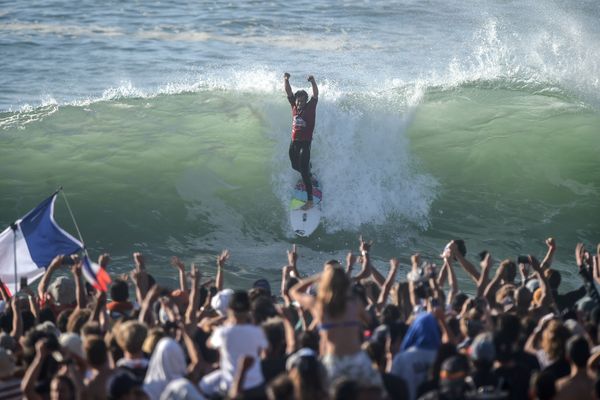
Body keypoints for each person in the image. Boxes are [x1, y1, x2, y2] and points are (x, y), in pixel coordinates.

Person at [284, 72, 319, 210]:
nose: (299, 103)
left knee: (303, 170)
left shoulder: (310, 108)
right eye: (298, 100)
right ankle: (309, 173)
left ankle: (310, 201)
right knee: (294, 165)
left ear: (306, 101)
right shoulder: (294, 106)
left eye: (302, 101)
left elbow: (315, 94)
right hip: (294, 142)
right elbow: (288, 91)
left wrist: (313, 81)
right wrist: (286, 79)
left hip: (305, 143)